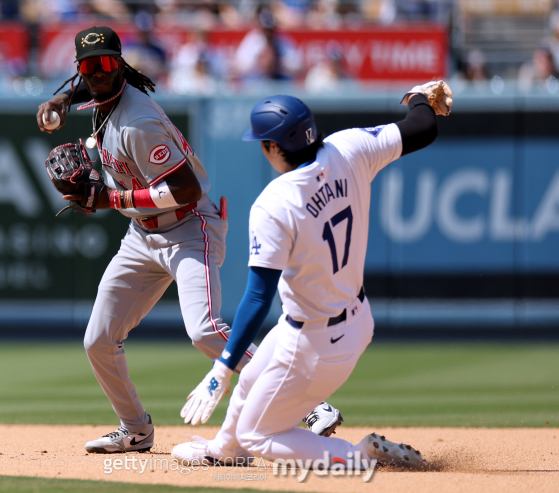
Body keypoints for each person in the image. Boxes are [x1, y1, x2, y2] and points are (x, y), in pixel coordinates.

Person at [35, 25, 342, 454]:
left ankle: (311, 404)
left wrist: (112, 198)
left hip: (188, 227)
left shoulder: (138, 120)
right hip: (142, 235)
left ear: (120, 64)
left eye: (105, 63)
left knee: (205, 331)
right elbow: (87, 88)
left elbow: (186, 189)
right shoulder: (101, 96)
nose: (97, 73)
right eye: (88, 66)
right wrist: (62, 99)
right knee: (98, 340)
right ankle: (135, 429)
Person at [173, 82, 452, 468]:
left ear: (273, 147)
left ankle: (359, 457)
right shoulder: (349, 147)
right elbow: (423, 127)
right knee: (252, 373)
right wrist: (420, 97)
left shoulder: (275, 203)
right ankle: (225, 451)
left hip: (315, 340)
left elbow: (257, 297)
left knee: (258, 434)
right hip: (353, 319)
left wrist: (221, 368)